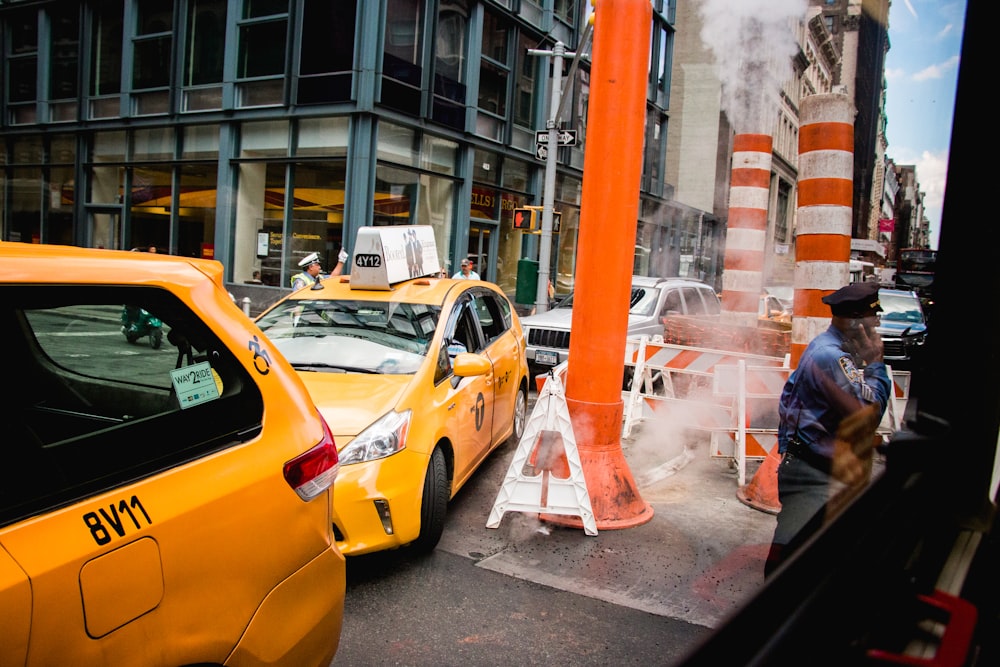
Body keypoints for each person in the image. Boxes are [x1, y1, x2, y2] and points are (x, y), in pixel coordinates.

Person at [764, 281, 892, 576]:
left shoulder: (830, 349)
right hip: (813, 468)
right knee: (791, 553)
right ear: (857, 322)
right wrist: (875, 365)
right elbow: (867, 418)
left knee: (809, 547)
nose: (878, 325)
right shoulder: (832, 357)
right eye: (875, 319)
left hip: (808, 459)